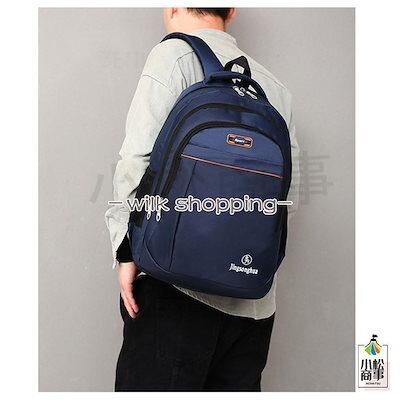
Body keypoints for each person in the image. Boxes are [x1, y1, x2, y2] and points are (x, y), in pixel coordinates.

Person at [105, 7, 300, 391]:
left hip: (174, 290)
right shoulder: (273, 86)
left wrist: (125, 251)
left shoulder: (173, 56)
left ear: (172, 6)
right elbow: (286, 199)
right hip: (253, 307)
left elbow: (137, 159)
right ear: (232, 10)